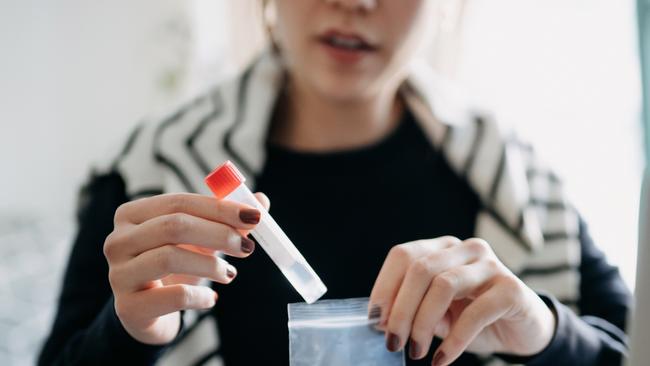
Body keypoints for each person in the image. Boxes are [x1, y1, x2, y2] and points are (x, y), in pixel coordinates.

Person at [38, 0, 631, 365]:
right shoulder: (152, 174)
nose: (354, 1)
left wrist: (546, 334)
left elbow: (629, 350)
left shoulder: (516, 177)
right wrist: (131, 335)